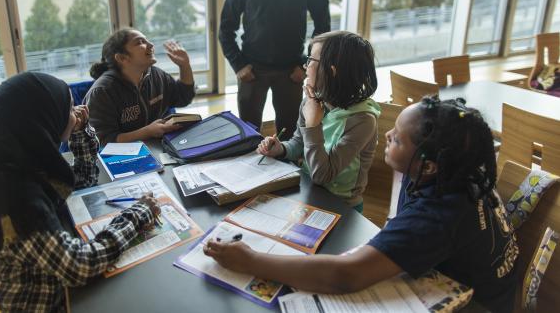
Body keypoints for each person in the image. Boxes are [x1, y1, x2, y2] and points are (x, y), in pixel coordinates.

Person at [205, 97, 519, 312]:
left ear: (429, 166)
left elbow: (345, 276)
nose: (388, 135)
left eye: (397, 139)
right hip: (472, 282)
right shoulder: (455, 170)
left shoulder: (438, 215)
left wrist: (251, 260)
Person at [0, 72, 160, 312]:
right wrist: (136, 214)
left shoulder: (20, 163)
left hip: (39, 284)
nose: (76, 112)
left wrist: (79, 131)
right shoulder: (17, 201)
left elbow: (82, 182)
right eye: (69, 108)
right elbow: (80, 267)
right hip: (32, 304)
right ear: (42, 120)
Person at [219, 0, 331, 136]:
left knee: (288, 135)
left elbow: (323, 30)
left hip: (291, 72)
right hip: (252, 71)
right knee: (248, 134)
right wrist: (238, 64)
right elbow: (225, 27)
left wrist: (305, 65)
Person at [257, 31, 380, 212]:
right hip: (308, 193)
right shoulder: (312, 100)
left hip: (343, 207)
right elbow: (299, 143)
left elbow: (322, 175)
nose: (305, 66)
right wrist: (281, 149)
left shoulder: (362, 120)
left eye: (310, 61)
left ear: (331, 71)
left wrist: (314, 124)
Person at [84, 28, 196, 145]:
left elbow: (184, 97)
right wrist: (147, 132)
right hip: (122, 158)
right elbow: (102, 140)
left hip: (159, 149)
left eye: (147, 40)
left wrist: (184, 66)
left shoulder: (156, 75)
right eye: (140, 42)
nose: (151, 44)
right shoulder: (102, 92)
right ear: (122, 58)